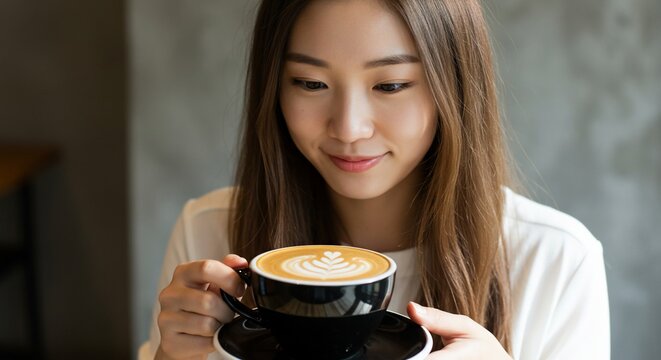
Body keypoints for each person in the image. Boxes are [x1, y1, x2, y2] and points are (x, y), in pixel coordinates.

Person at [139, 0, 610, 359]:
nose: (348, 128)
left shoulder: (556, 260)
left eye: (389, 86)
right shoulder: (209, 233)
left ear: (456, 88)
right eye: (310, 83)